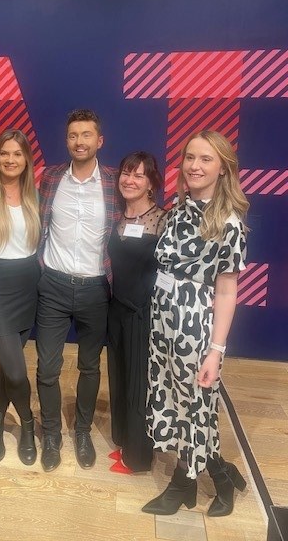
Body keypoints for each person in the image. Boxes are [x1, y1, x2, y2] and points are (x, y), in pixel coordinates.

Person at [143, 130, 249, 517]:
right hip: (164, 322)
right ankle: (220, 473)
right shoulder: (178, 209)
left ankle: (192, 483)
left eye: (206, 159)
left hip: (195, 328)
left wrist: (215, 351)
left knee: (195, 409)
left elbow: (226, 293)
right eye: (190, 157)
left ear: (223, 169)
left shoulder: (228, 224)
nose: (195, 166)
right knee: (176, 403)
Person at [36, 108, 118, 472]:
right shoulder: (50, 178)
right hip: (52, 284)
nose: (79, 141)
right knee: (46, 368)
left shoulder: (116, 181)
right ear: (66, 140)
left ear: (99, 141)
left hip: (96, 289)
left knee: (89, 367)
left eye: (86, 135)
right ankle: (51, 433)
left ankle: (82, 430)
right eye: (73, 135)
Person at [0, 129, 41, 466]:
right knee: (16, 371)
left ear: (26, 159)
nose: (11, 160)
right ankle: (28, 425)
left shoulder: (35, 196)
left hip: (28, 286)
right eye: (5, 153)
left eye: (17, 154)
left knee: (8, 364)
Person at [107, 151, 166, 474]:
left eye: (139, 175)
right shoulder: (117, 218)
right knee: (119, 376)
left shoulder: (162, 220)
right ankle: (125, 442)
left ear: (150, 183)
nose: (130, 180)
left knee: (139, 385)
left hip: (144, 314)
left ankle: (139, 456)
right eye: (126, 173)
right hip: (116, 310)